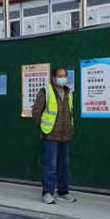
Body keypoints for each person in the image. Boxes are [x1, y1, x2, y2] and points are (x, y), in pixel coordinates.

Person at [32, 67, 77, 205]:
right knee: (50, 166)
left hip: (66, 135)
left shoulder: (69, 92)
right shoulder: (45, 91)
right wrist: (44, 128)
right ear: (53, 78)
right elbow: (36, 112)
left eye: (65, 75)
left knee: (64, 166)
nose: (63, 78)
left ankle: (63, 192)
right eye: (60, 75)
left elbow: (70, 112)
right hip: (50, 135)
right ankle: (47, 193)